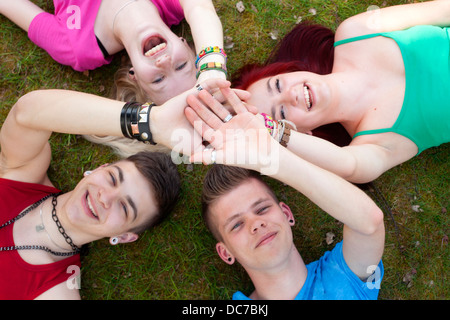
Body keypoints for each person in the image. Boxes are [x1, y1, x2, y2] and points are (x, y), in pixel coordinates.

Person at [0, 79, 236, 298]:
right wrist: (151, 122)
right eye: (112, 178)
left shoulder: (54, 292)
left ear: (123, 236)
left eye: (124, 207)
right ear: (99, 168)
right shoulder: (25, 172)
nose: (106, 197)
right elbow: (27, 112)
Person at [185, 87, 385, 299]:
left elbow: (369, 223)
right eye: (236, 225)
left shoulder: (344, 275)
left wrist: (272, 158)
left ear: (287, 214)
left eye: (262, 209)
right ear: (227, 253)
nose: (256, 224)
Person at [231, 0, 450, 184]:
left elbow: (443, 9)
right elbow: (348, 165)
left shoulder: (354, 32)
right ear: (302, 134)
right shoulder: (370, 146)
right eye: (281, 115)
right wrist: (269, 133)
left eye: (277, 85)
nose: (290, 95)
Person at [0, 0, 226, 105]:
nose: (165, 63)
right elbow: (201, 9)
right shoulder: (175, 3)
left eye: (158, 80)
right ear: (185, 42)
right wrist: (212, 65)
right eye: (181, 66)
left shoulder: (78, 47)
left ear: (133, 74)